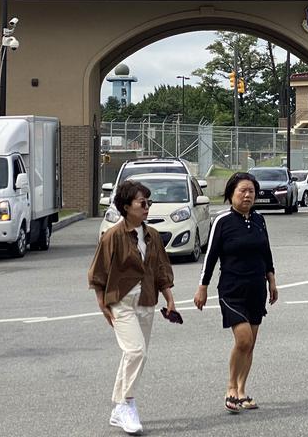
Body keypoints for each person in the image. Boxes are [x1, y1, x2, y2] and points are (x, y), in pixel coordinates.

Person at [88, 180, 176, 436]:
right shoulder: (113, 236)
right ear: (127, 207)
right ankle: (127, 404)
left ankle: (119, 408)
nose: (147, 207)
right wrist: (102, 304)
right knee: (137, 352)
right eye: (142, 203)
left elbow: (160, 269)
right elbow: (98, 273)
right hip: (121, 302)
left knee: (133, 355)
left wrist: (169, 298)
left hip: (147, 300)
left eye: (149, 202)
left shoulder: (153, 235)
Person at [194, 172, 278, 414]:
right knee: (243, 339)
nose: (248, 195)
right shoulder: (222, 221)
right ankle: (230, 388)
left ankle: (242, 391)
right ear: (231, 194)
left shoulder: (260, 220)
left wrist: (272, 280)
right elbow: (210, 257)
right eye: (242, 190)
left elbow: (266, 253)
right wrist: (203, 287)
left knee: (250, 345)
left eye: (251, 191)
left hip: (256, 289)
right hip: (231, 290)